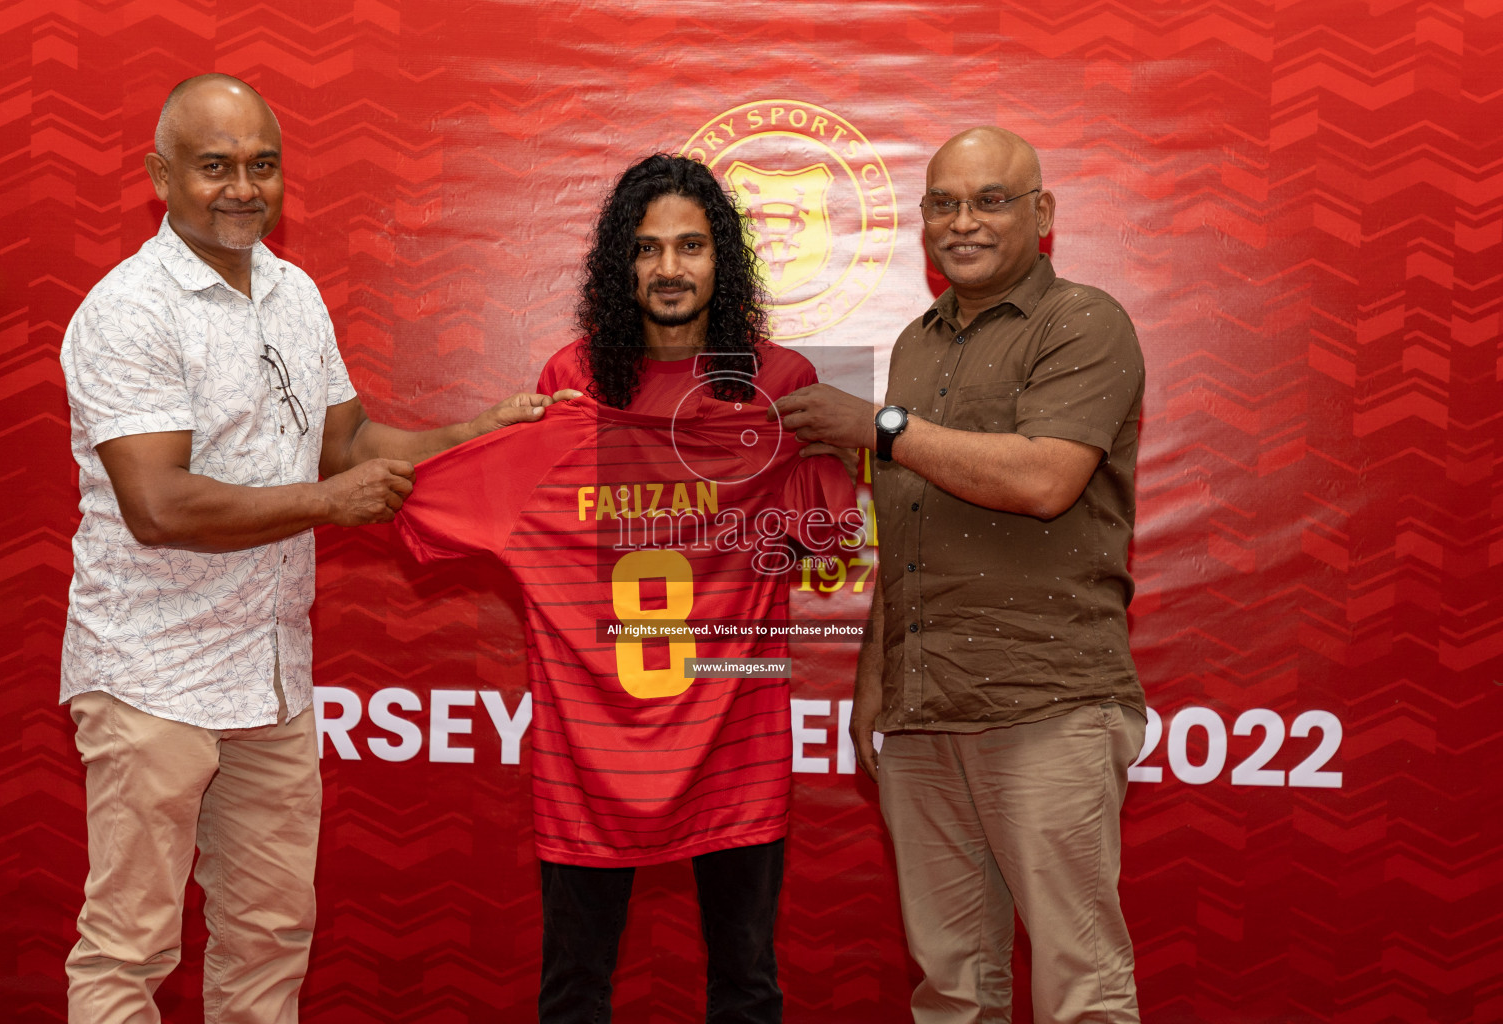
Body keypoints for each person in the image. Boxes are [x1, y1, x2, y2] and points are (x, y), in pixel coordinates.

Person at [58, 73, 567, 1024]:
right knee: (131, 947)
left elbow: (355, 446)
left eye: (262, 165)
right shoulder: (129, 310)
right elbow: (158, 505)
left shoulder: (294, 294)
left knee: (269, 936)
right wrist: (329, 504)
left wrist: (484, 430)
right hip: (148, 676)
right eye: (214, 167)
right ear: (159, 176)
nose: (242, 188)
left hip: (271, 678)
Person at [397, 154, 856, 1024]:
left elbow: (824, 543)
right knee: (575, 991)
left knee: (747, 988)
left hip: (734, 743)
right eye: (648, 250)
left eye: (690, 246)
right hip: (591, 754)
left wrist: (834, 442)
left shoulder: (783, 384)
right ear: (622, 264)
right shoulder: (572, 384)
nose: (671, 269)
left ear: (722, 260)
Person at [770, 126, 1148, 1023]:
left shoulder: (1085, 321)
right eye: (943, 203)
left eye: (990, 200)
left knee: (1081, 988)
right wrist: (875, 684)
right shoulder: (915, 345)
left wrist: (883, 428)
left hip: (1046, 703)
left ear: (1043, 214)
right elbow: (906, 536)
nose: (962, 222)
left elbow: (1047, 479)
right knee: (950, 988)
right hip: (924, 706)